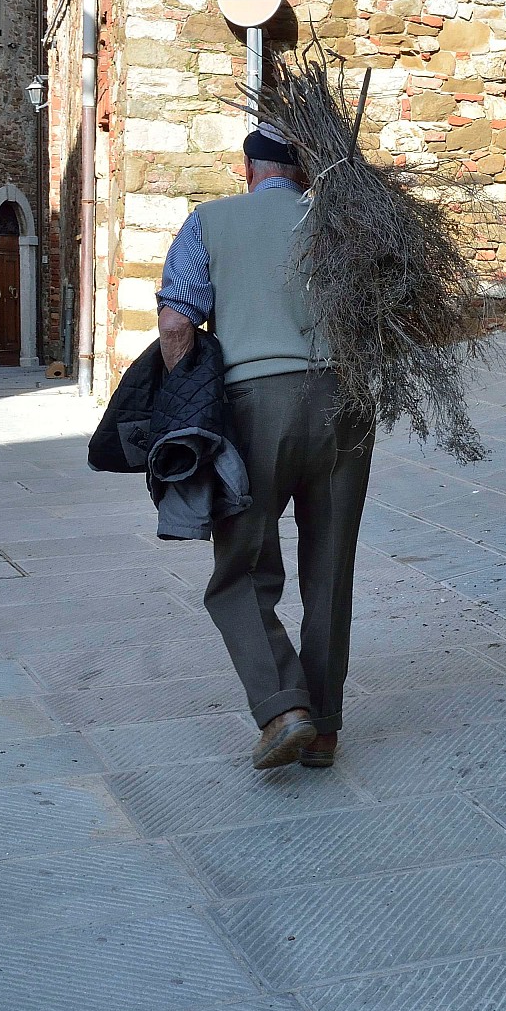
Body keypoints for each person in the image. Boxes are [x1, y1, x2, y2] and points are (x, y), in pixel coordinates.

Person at [156, 126, 373, 771]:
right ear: (301, 171)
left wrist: (181, 396)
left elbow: (176, 320)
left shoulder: (209, 222)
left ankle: (284, 708)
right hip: (345, 403)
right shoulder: (342, 221)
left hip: (255, 408)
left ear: (246, 167)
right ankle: (326, 728)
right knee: (329, 568)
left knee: (241, 572)